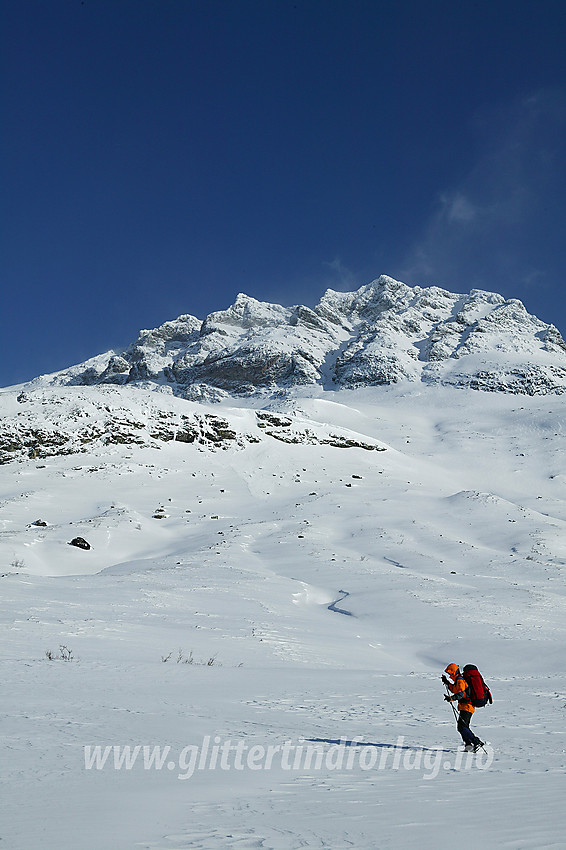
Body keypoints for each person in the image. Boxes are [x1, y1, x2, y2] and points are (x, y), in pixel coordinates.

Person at [442, 663, 485, 752]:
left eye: (450, 674)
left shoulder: (460, 681)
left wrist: (451, 698)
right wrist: (447, 682)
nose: (449, 676)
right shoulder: (458, 680)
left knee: (462, 727)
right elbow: (455, 689)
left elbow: (460, 694)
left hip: (467, 706)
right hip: (464, 706)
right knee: (463, 727)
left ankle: (476, 742)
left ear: (454, 672)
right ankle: (468, 746)